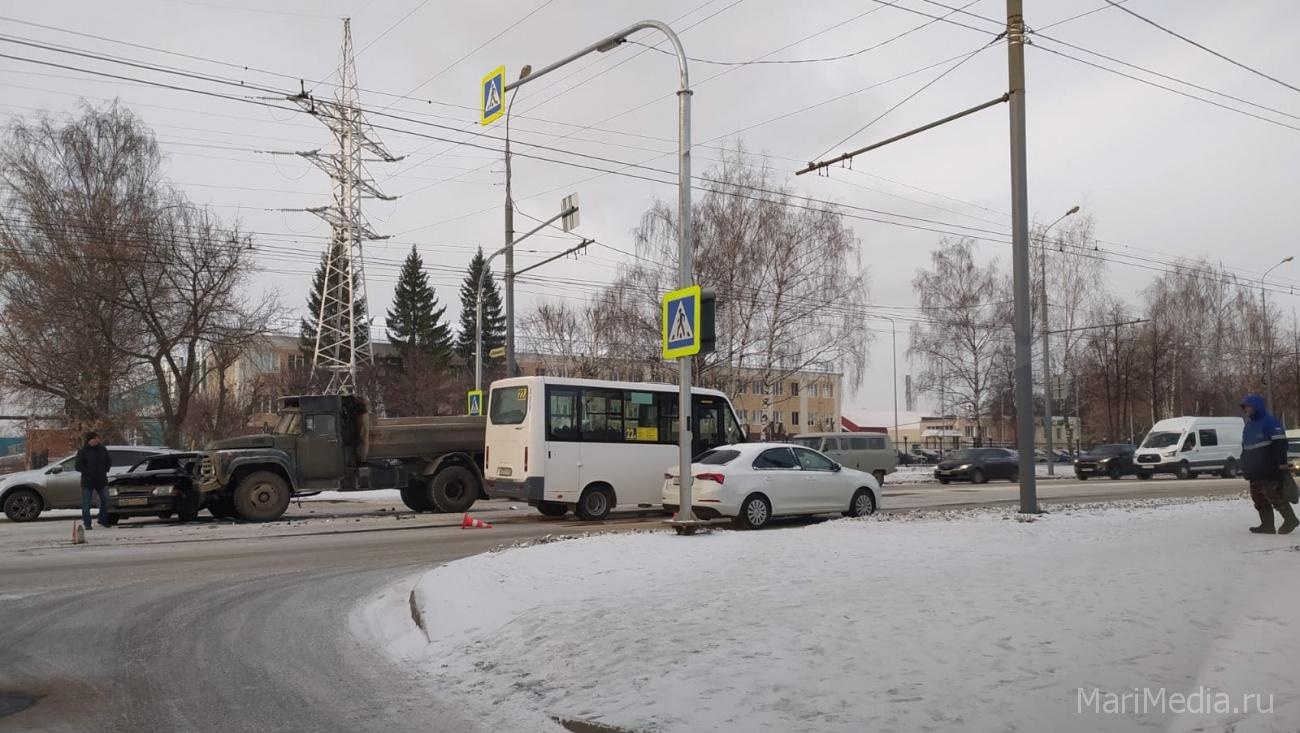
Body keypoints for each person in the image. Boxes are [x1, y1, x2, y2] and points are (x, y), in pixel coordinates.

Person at [1240, 394, 1299, 535]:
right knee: (1258, 497)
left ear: (1256, 407)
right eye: (1245, 407)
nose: (1246, 409)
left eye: (1248, 406)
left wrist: (1281, 463)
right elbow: (1245, 447)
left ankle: (1291, 520)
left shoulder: (1270, 422)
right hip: (1254, 469)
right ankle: (1267, 525)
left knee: (1274, 495)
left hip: (1269, 468)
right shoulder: (1248, 426)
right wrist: (1245, 465)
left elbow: (1280, 443)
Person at [74, 431, 112, 530]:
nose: (97, 440)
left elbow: (108, 461)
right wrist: (89, 471)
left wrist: (105, 469)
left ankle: (103, 519)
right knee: (86, 503)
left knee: (106, 499)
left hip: (101, 479)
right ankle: (87, 523)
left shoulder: (102, 449)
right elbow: (78, 466)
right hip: (88, 481)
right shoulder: (83, 451)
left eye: (97, 438)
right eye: (94, 438)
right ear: (89, 440)